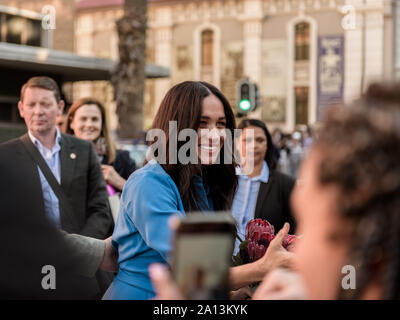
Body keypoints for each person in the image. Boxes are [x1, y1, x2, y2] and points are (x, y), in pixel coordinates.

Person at [149, 81, 400, 300]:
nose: (298, 246)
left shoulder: (279, 183)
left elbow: (197, 276)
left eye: (309, 224)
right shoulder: (175, 182)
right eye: (202, 123)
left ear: (372, 258)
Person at [103, 81, 293, 300]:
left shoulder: (201, 182)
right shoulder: (148, 183)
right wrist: (263, 267)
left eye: (221, 124)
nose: (215, 135)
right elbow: (196, 269)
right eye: (202, 124)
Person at [0, 76, 114, 298]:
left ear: (60, 107)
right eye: (31, 105)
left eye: (45, 104)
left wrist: (81, 252)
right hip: (30, 264)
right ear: (21, 108)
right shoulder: (5, 156)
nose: (38, 111)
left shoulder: (83, 150)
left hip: (83, 266)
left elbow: (100, 209)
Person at [232, 119, 296, 254]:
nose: (254, 145)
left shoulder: (284, 184)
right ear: (236, 143)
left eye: (260, 140)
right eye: (247, 140)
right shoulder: (225, 181)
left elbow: (295, 231)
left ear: (267, 145)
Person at [63, 98, 136, 192]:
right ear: (72, 123)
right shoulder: (59, 157)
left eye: (94, 119)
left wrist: (120, 182)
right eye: (83, 119)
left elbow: (141, 198)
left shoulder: (122, 159)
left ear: (102, 124)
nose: (89, 124)